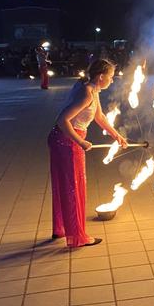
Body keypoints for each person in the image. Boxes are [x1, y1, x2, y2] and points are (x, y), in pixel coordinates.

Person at [48, 59, 128, 246]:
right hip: (66, 140)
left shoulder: (92, 89)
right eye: (110, 77)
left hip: (62, 139)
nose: (112, 80)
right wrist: (80, 141)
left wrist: (117, 136)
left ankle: (61, 229)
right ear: (101, 77)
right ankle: (77, 237)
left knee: (65, 186)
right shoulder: (86, 94)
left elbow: (99, 117)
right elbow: (62, 120)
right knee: (73, 187)